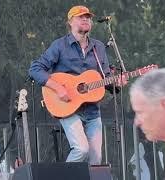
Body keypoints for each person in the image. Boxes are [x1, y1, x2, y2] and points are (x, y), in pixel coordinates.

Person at [29, 5, 124, 165]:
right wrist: (58, 88)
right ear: (70, 22)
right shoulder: (60, 45)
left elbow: (105, 77)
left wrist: (116, 82)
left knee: (96, 160)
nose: (86, 19)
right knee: (81, 149)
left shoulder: (98, 47)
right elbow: (35, 69)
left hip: (93, 110)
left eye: (88, 17)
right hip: (67, 108)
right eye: (81, 17)